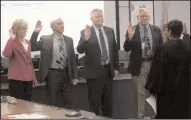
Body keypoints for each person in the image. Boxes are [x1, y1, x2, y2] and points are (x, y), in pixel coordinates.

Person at [77, 8, 119, 117]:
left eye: (101, 16)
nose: (100, 18)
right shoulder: (86, 32)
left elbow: (114, 50)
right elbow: (80, 49)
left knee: (108, 103)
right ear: (91, 19)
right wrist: (85, 39)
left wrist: (116, 68)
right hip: (94, 74)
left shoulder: (110, 31)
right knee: (94, 103)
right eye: (97, 17)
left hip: (108, 71)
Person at [145, 19, 190, 119]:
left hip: (167, 96)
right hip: (185, 94)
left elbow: (157, 73)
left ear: (169, 32)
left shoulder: (163, 49)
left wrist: (152, 88)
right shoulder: (188, 47)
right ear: (181, 31)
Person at [123, 8, 163, 118]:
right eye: (142, 16)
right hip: (139, 65)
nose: (144, 18)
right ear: (137, 17)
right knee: (140, 93)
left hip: (153, 65)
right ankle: (140, 117)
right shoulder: (133, 30)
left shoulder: (156, 30)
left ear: (149, 17)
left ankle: (155, 116)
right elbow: (126, 48)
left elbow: (161, 49)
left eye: (146, 16)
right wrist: (129, 38)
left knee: (154, 92)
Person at [30, 18, 78, 108]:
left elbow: (72, 59)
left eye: (62, 23)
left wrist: (75, 76)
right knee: (53, 100)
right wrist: (36, 32)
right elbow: (32, 46)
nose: (62, 25)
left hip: (66, 73)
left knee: (68, 101)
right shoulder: (45, 39)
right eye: (59, 24)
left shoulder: (69, 40)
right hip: (52, 73)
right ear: (52, 27)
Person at [2, 19, 38, 101]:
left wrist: (34, 78)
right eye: (23, 28)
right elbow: (6, 54)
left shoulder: (27, 42)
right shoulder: (12, 41)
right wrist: (12, 39)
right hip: (17, 79)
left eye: (26, 28)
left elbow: (29, 62)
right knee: (18, 104)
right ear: (16, 29)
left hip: (28, 78)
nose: (25, 31)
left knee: (28, 103)